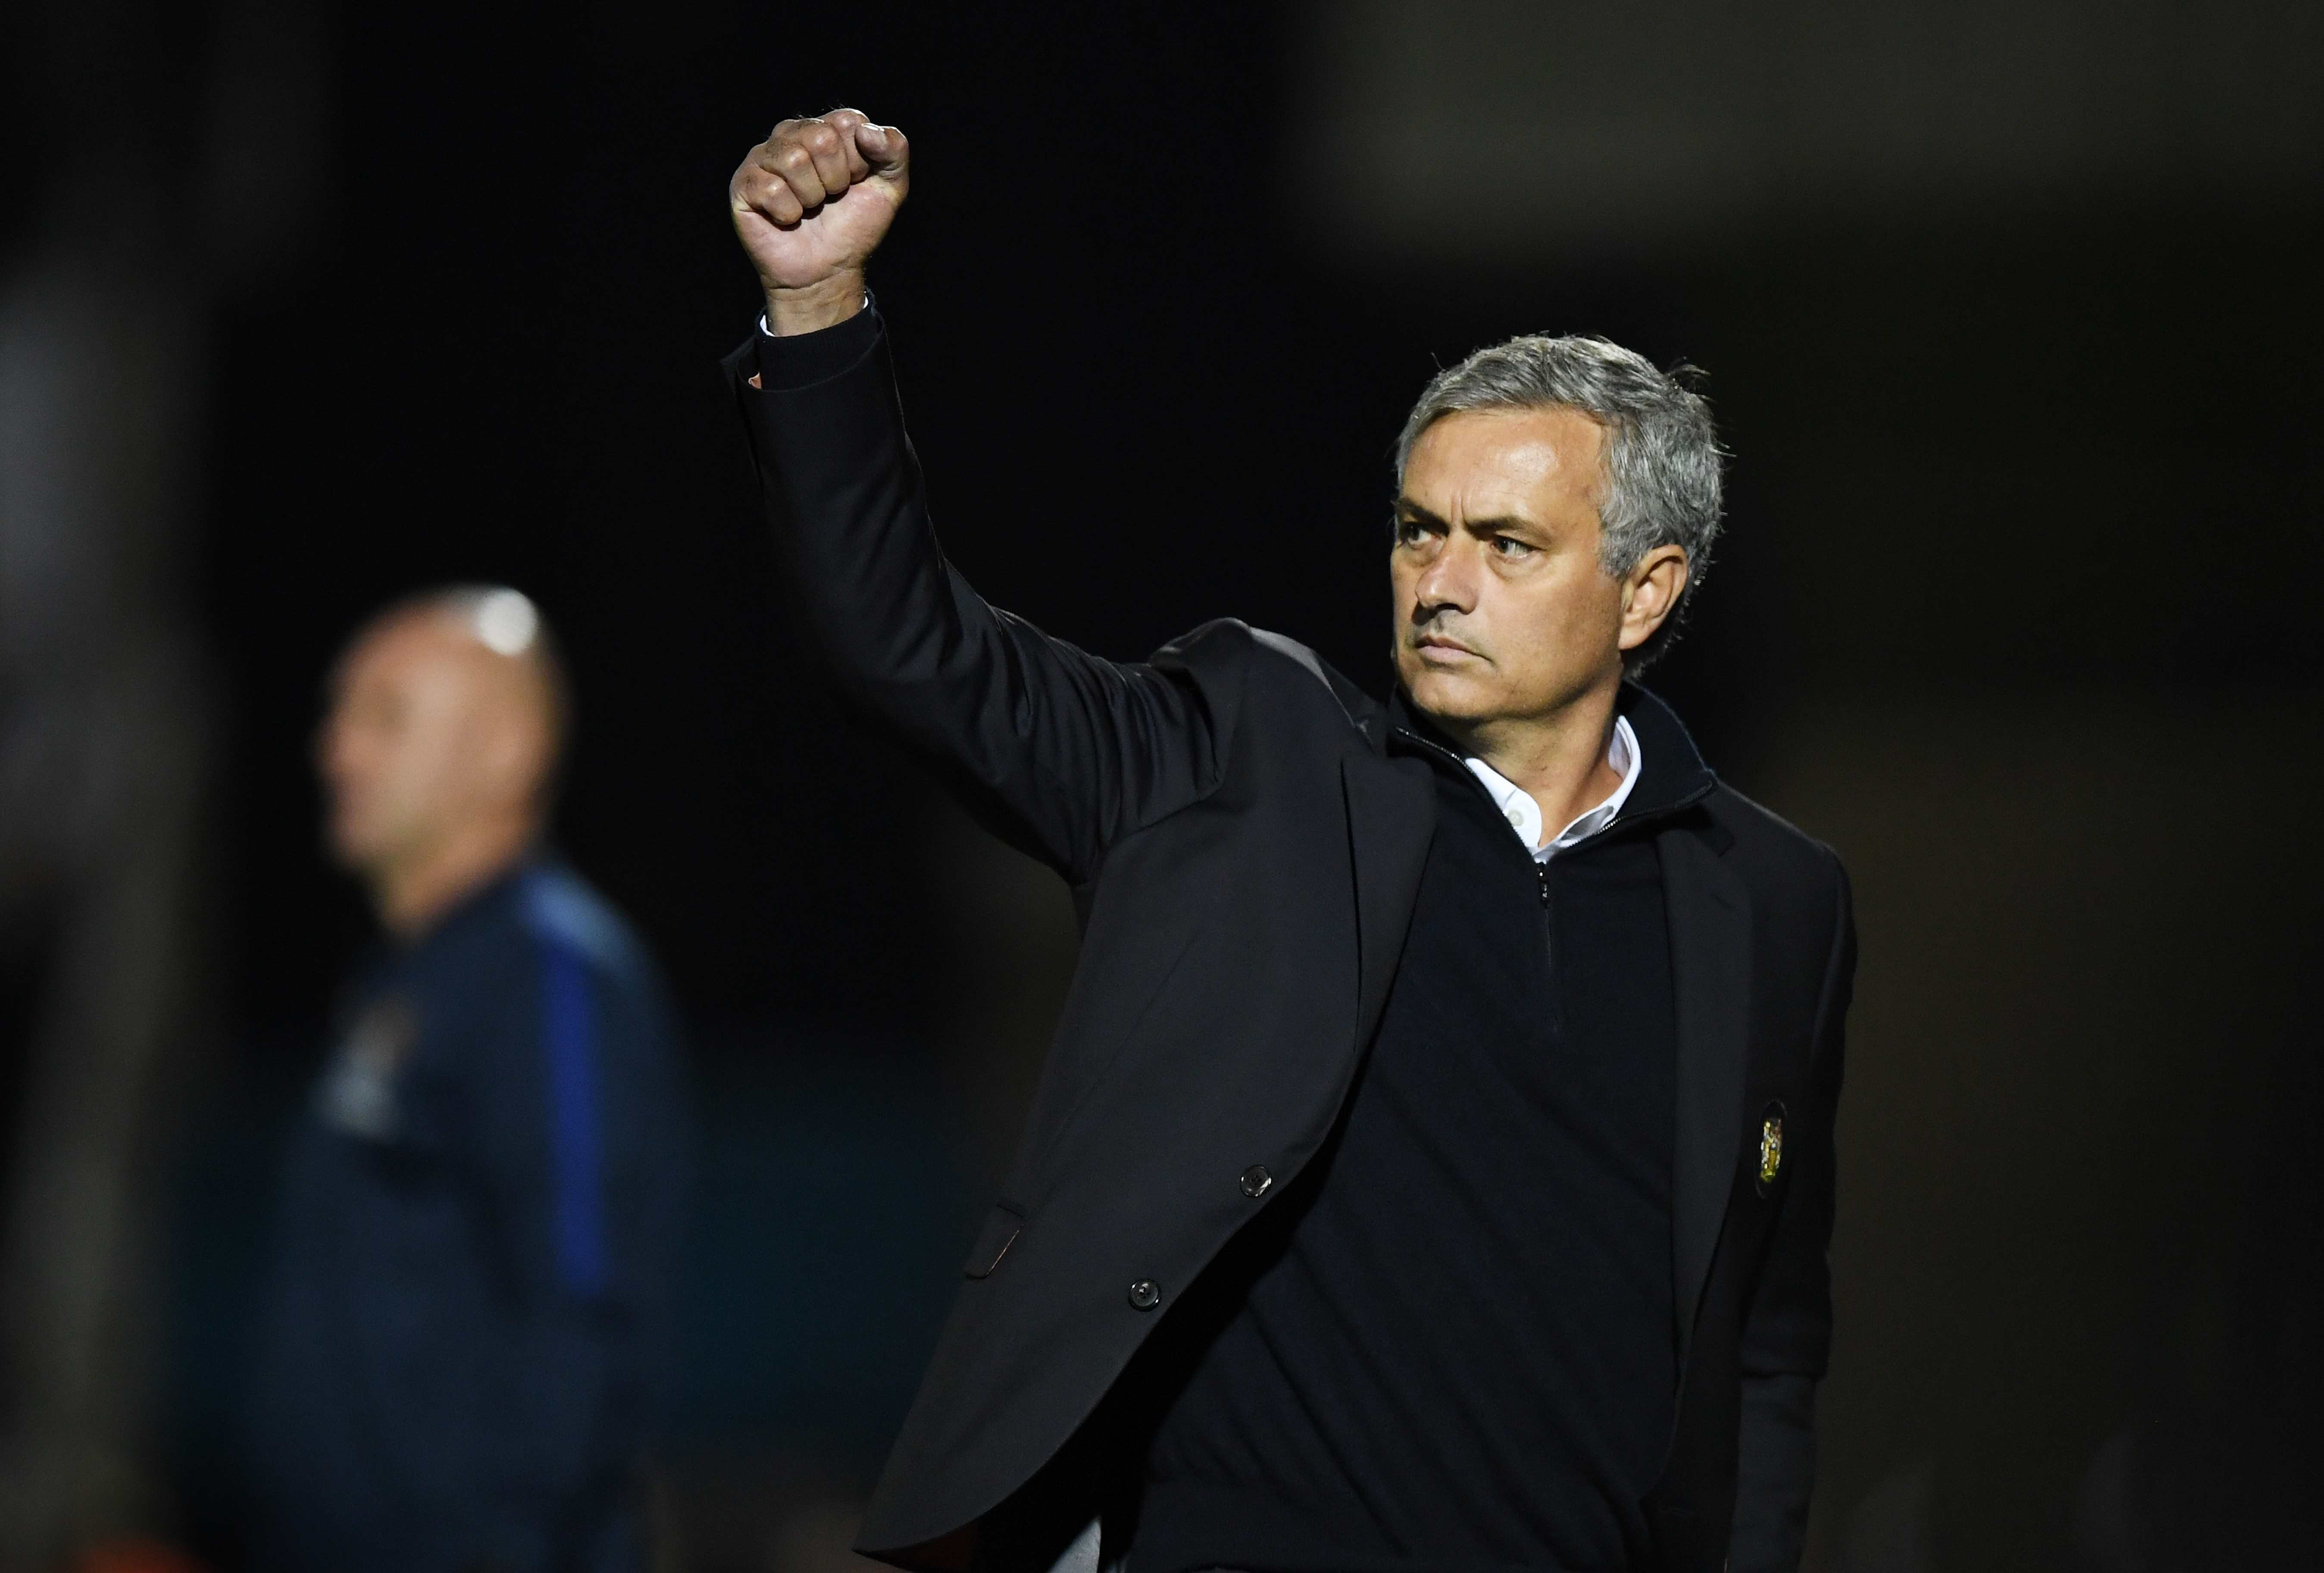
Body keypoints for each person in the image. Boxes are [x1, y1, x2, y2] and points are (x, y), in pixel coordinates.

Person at [723, 112, 1852, 1573]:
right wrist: (818, 310)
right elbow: (910, 651)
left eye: (1505, 544)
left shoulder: (1772, 900)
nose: (1439, 583)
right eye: (1418, 531)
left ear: (1645, 592)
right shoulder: (1248, 763)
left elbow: (1764, 1338)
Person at [248, 587, 691, 1573]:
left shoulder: (551, 977)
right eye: (338, 714)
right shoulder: (406, 977)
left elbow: (582, 1314)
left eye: (385, 717)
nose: (337, 751)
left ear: (507, 752)